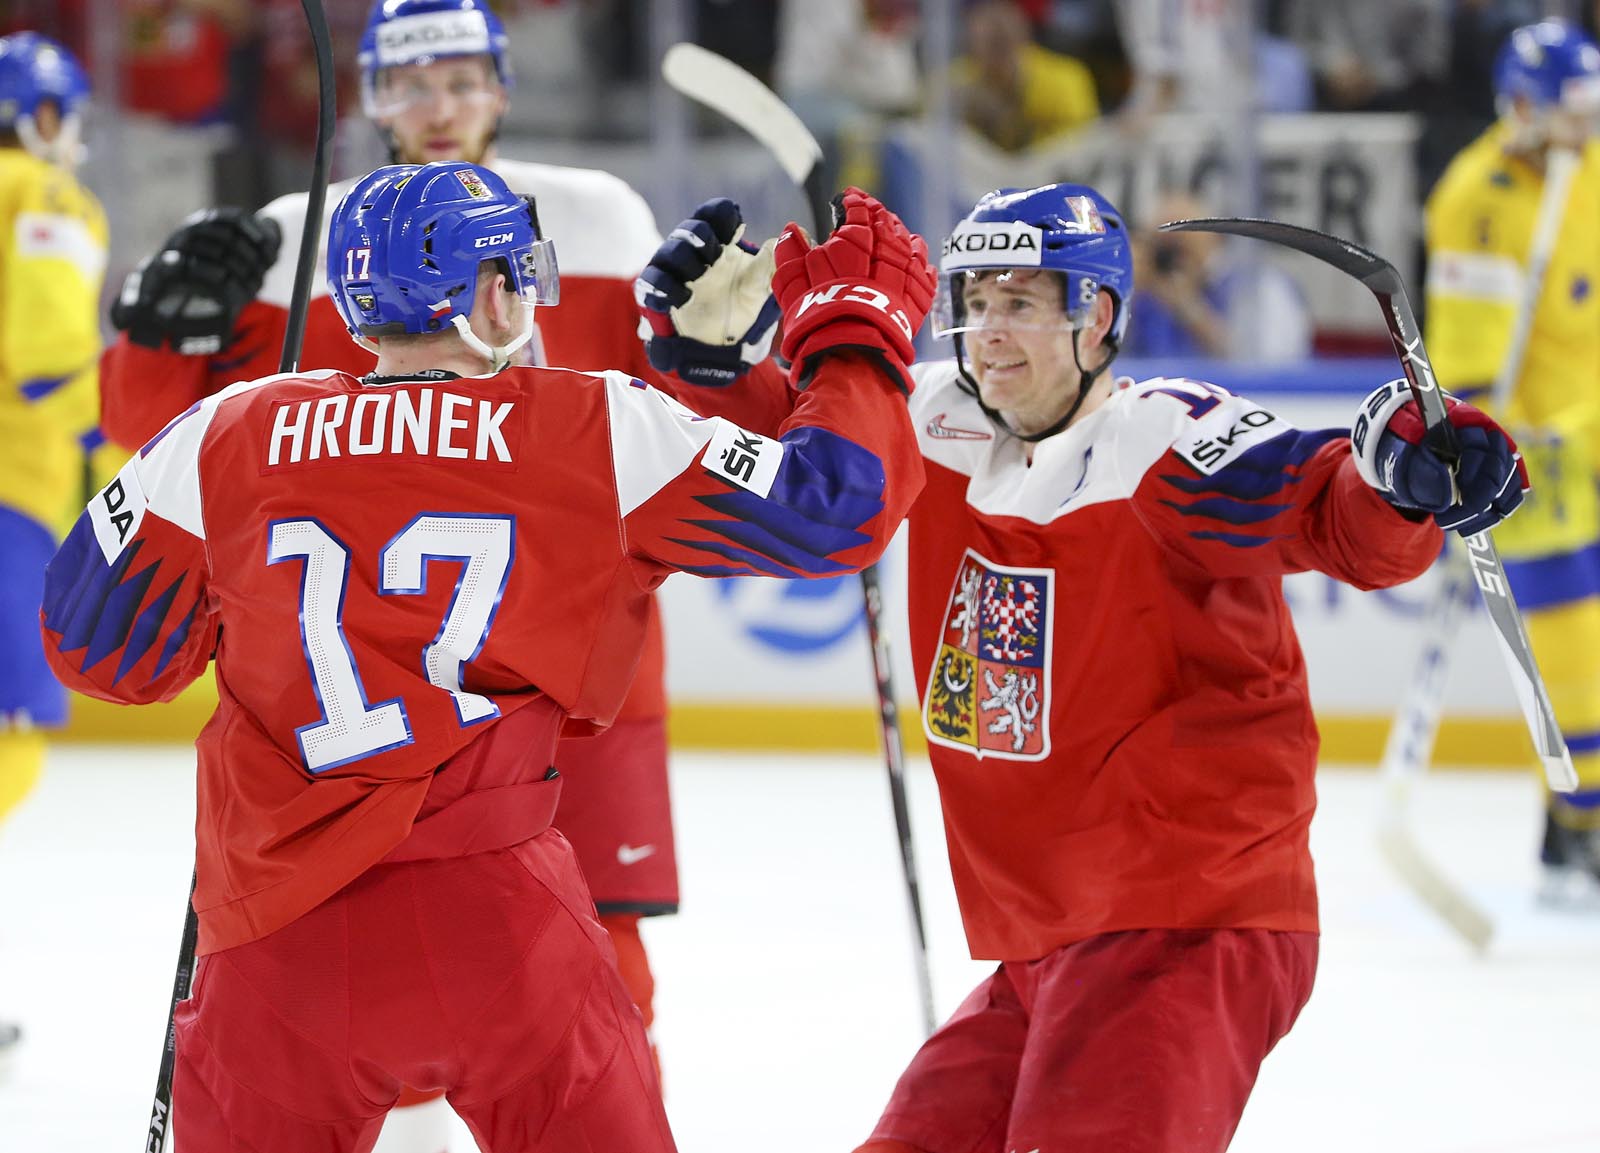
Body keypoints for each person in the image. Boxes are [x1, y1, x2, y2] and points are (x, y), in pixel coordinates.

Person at [41, 163, 931, 1151]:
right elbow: (834, 510)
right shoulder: (593, 423)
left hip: (275, 941)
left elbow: (96, 653)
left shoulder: (227, 430)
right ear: (493, 290)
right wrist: (849, 335)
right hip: (504, 931)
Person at [636, 183, 1528, 1152]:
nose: (988, 332)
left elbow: (1323, 508)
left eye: (1020, 303)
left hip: (1186, 925)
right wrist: (713, 362)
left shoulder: (1164, 440)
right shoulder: (939, 417)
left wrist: (1399, 473)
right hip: (1045, 945)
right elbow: (802, 447)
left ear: (1095, 316)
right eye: (975, 303)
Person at [98, 2, 685, 1142]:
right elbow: (163, 437)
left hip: (564, 670)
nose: (439, 108)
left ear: (504, 89)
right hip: (359, 683)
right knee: (350, 981)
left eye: (463, 80)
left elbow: (670, 411)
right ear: (368, 99)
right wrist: (157, 336)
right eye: (410, 85)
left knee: (591, 959)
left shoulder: (601, 219)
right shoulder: (296, 233)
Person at [1424, 18, 1600, 900]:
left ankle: (1562, 831)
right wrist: (1486, 448)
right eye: (1572, 112)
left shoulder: (1592, 171)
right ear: (1522, 107)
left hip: (1593, 429)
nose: (1585, 128)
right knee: (1574, 653)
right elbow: (1469, 358)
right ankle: (1583, 827)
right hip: (1538, 459)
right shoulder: (1477, 197)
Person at [0, 30, 107, 1060]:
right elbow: (43, 349)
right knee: (9, 744)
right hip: (7, 493)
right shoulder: (39, 192)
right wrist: (108, 444)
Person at [1123, 190, 1313, 364]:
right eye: (1160, 244)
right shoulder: (1150, 294)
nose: (1173, 253)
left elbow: (1268, 365)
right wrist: (1125, 290)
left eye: (1180, 238)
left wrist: (1190, 309)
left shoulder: (1258, 285)